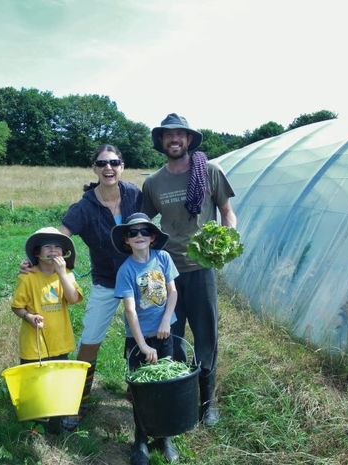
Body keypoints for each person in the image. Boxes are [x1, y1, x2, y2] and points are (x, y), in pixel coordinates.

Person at [20, 144, 142, 430]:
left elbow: (151, 224)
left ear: (122, 166)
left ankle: (136, 390)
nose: (108, 168)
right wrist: (34, 261)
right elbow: (59, 238)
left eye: (113, 162)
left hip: (138, 279)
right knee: (90, 341)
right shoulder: (84, 206)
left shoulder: (135, 194)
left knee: (140, 334)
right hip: (106, 281)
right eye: (102, 164)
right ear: (94, 168)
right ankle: (79, 399)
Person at [141, 113, 237, 427]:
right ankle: (181, 398)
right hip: (167, 273)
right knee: (171, 337)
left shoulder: (209, 171)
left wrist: (227, 240)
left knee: (206, 336)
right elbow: (142, 224)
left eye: (179, 135)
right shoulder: (154, 183)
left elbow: (227, 212)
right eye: (168, 136)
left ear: (189, 139)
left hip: (201, 269)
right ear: (161, 142)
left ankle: (208, 403)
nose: (174, 140)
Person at [111, 212, 179, 465]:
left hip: (165, 335)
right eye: (132, 233)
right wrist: (142, 344)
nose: (138, 236)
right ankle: (140, 440)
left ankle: (164, 437)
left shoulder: (163, 258)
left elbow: (172, 293)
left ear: (152, 237)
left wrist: (165, 321)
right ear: (127, 240)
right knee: (141, 392)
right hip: (140, 340)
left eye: (143, 232)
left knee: (165, 386)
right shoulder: (126, 270)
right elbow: (130, 310)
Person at [11, 227, 83, 434]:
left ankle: (56, 426)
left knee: (58, 385)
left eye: (58, 247)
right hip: (34, 344)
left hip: (60, 340)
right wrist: (29, 317)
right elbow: (17, 306)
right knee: (35, 386)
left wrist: (61, 273)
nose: (53, 251)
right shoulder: (28, 277)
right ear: (37, 253)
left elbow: (72, 298)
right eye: (48, 247)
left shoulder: (67, 274)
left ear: (64, 253)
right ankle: (34, 427)